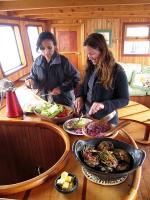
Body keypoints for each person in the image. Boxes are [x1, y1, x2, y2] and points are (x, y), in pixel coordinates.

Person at [74, 33, 129, 124]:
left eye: (92, 53)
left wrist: (103, 105)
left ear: (102, 52)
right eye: (88, 53)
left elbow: (124, 100)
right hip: (87, 116)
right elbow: (83, 85)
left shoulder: (117, 71)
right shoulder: (91, 66)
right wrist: (79, 96)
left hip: (106, 120)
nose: (89, 57)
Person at [25, 31, 80, 107]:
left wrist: (61, 88)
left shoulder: (63, 61)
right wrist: (30, 81)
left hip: (64, 101)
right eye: (42, 48)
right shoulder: (37, 62)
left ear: (54, 46)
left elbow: (75, 78)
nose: (46, 51)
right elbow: (32, 76)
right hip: (44, 101)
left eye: (49, 47)